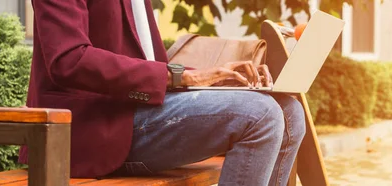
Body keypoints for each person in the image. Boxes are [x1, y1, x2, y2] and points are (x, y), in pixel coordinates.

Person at [17, 0, 306, 185]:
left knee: (289, 111)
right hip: (89, 129)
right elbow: (70, 60)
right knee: (260, 115)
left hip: (132, 112)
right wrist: (184, 76)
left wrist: (218, 79)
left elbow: (149, 66)